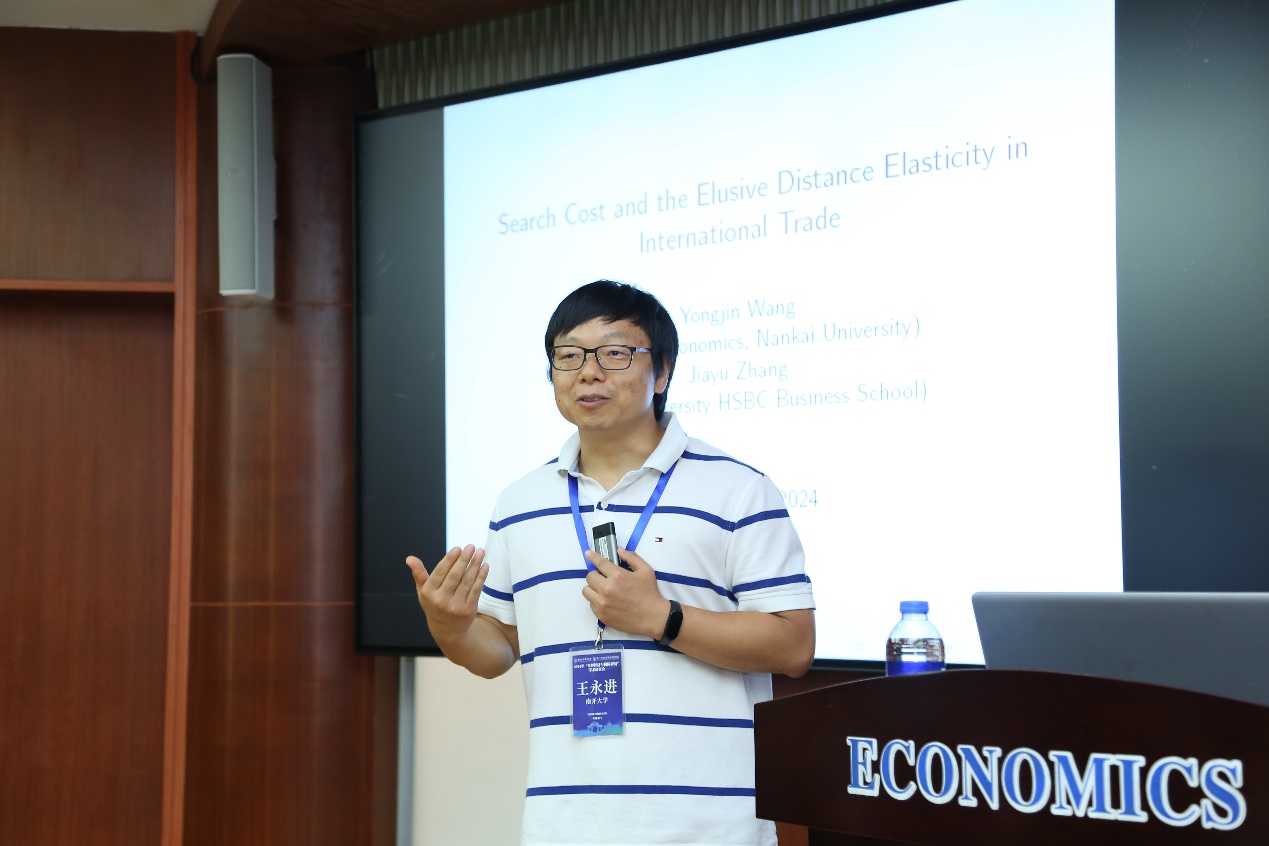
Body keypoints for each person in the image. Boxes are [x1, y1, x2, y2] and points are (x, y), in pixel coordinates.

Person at [406, 279, 816, 846]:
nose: (588, 372)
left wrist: (661, 618)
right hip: (563, 825)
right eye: (568, 355)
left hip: (710, 828)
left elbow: (793, 646)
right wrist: (451, 628)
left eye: (615, 353)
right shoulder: (519, 502)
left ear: (662, 371)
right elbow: (497, 650)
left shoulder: (738, 489)